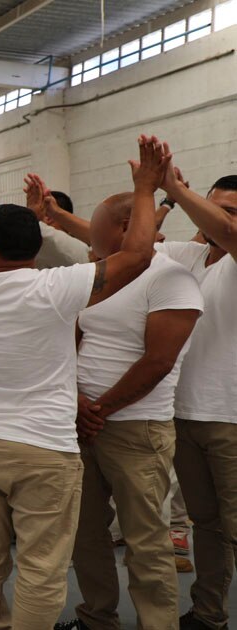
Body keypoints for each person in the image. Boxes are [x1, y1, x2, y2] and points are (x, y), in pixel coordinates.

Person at [0, 136, 163, 629]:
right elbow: (136, 256)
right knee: (42, 567)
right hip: (44, 449)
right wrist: (147, 190)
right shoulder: (56, 288)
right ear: (37, 246)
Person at [51, 192, 203, 630]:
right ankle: (96, 617)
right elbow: (74, 336)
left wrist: (98, 407)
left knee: (146, 540)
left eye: (96, 228)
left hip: (137, 430)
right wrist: (76, 401)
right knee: (87, 531)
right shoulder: (97, 276)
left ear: (123, 228)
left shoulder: (171, 279)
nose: (89, 236)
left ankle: (158, 623)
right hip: (85, 425)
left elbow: (158, 361)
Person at [151, 172, 237, 630]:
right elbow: (121, 246)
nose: (222, 218)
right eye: (216, 206)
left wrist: (175, 189)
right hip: (186, 415)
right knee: (207, 526)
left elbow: (227, 233)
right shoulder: (193, 256)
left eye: (233, 210)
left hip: (231, 419)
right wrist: (59, 218)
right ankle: (208, 615)